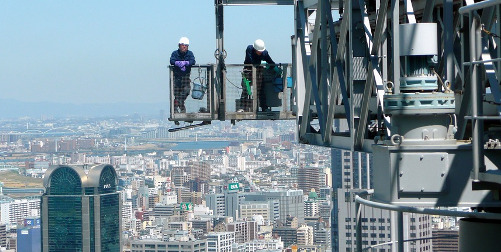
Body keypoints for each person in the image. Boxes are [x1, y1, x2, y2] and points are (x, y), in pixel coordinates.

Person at [240, 39, 275, 112]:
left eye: (261, 51)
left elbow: (271, 62)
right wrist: (262, 63)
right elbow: (251, 61)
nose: (260, 53)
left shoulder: (264, 53)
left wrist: (273, 67)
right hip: (248, 71)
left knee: (261, 90)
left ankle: (264, 108)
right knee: (246, 89)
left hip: (258, 72)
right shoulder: (249, 49)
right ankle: (243, 107)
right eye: (259, 51)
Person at [170, 37, 196, 113]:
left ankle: (179, 105)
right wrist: (177, 63)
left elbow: (193, 61)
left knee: (186, 91)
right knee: (177, 93)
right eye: (182, 45)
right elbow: (172, 60)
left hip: (185, 77)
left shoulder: (189, 53)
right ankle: (179, 109)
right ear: (179, 46)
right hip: (177, 77)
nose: (184, 46)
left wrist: (186, 63)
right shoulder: (175, 53)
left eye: (186, 45)